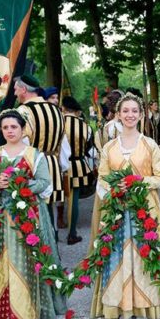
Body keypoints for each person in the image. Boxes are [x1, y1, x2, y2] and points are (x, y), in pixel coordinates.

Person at [89, 93, 160, 319]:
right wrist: (117, 186)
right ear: (118, 115)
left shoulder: (150, 145)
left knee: (143, 251)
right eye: (125, 111)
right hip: (117, 207)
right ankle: (122, 304)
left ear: (141, 114)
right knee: (118, 252)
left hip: (144, 208)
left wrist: (138, 181)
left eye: (134, 111)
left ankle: (144, 304)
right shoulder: (109, 147)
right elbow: (103, 178)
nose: (130, 115)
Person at [0, 110, 67, 319]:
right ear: (1, 130)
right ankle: (2, 307)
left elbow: (44, 182)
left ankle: (30, 305)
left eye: (13, 127)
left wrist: (20, 184)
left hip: (30, 213)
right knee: (0, 256)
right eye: (5, 127)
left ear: (22, 128)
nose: (9, 131)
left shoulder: (34, 155)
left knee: (30, 256)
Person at [14, 74, 68, 239]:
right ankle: (54, 249)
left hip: (33, 165)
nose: (15, 93)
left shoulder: (23, 111)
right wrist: (62, 167)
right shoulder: (57, 111)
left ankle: (42, 251)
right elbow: (63, 144)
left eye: (16, 89)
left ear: (24, 89)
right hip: (52, 162)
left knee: (34, 210)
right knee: (49, 208)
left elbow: (22, 143)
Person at [62, 96, 94, 245]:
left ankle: (53, 234)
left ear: (63, 108)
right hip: (77, 165)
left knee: (52, 199)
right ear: (76, 111)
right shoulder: (85, 126)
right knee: (73, 200)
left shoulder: (58, 122)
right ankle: (71, 233)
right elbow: (88, 146)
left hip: (58, 165)